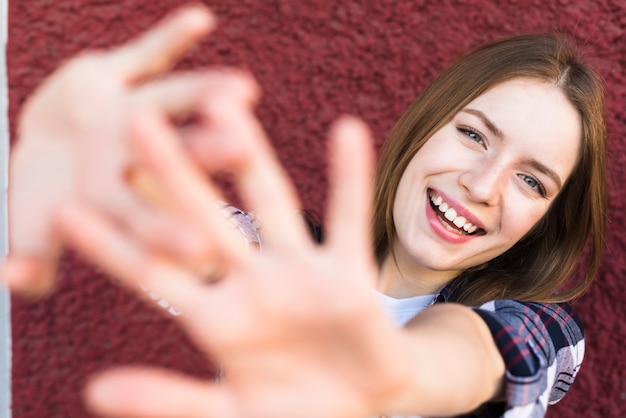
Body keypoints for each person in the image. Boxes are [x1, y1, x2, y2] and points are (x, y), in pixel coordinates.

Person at [2, 4, 606, 418]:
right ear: (425, 129)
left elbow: (480, 356)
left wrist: (396, 368)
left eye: (532, 179)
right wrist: (82, 165)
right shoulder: (286, 260)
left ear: (547, 219)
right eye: (474, 135)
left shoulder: (547, 335)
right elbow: (181, 235)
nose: (482, 184)